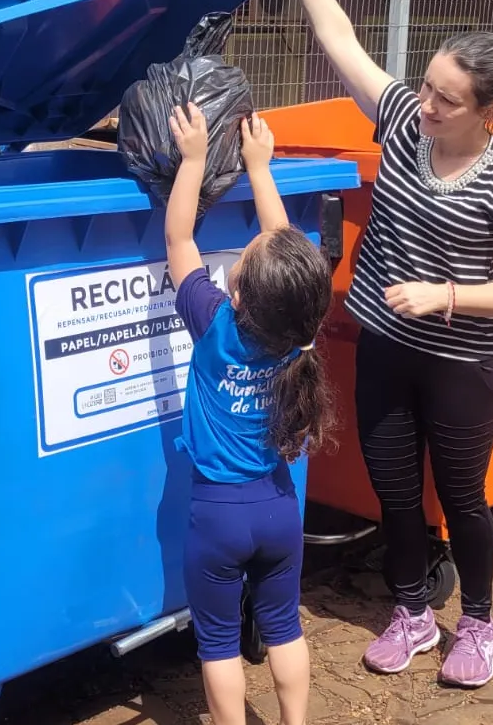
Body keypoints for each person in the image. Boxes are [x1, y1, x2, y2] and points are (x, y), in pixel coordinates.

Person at [276, 0, 493, 689]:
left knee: (462, 498)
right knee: (395, 493)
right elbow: (341, 43)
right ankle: (411, 611)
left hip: (465, 364)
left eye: (445, 99)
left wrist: (447, 294)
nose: (425, 104)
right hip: (386, 349)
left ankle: (480, 624)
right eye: (426, 86)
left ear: (487, 112)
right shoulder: (401, 123)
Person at [165, 102, 334, 725]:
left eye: (247, 253)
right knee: (284, 627)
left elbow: (179, 239)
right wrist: (260, 168)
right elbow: (283, 248)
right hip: (279, 509)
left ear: (236, 293)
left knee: (217, 644)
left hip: (217, 516)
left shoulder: (215, 326)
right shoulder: (297, 337)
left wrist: (193, 161)